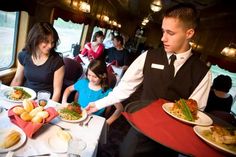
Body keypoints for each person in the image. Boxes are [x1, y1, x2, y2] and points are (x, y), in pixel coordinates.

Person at [87, 3, 212, 157]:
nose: (163, 38)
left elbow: (195, 114)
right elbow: (124, 88)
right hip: (142, 128)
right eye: (163, 31)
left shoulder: (203, 73)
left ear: (189, 33)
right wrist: (97, 104)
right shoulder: (148, 56)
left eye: (170, 33)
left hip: (172, 139)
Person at [11, 22, 65, 102]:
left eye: (52, 42)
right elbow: (17, 80)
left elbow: (57, 92)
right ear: (35, 40)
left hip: (44, 101)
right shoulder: (23, 56)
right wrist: (10, 96)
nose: (50, 46)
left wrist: (50, 109)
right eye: (46, 41)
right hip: (24, 98)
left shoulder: (57, 61)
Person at [62, 59, 123, 125]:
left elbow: (120, 109)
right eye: (89, 75)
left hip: (94, 121)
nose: (90, 79)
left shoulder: (108, 92)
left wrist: (107, 123)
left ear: (103, 75)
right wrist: (64, 101)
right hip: (78, 116)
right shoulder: (83, 83)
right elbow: (68, 89)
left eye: (94, 76)